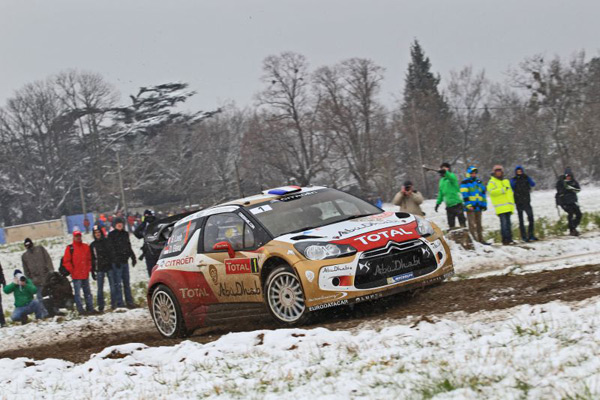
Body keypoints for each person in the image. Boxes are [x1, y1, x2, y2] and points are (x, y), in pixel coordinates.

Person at [63, 230, 96, 315]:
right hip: (76, 275)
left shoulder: (86, 247)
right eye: (76, 236)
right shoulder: (70, 248)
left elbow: (89, 259)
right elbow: (66, 261)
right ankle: (80, 310)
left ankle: (90, 308)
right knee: (77, 294)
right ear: (73, 237)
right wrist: (72, 270)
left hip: (85, 274)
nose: (78, 238)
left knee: (87, 293)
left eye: (79, 236)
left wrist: (88, 268)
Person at [109, 218, 137, 308]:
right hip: (117, 263)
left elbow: (128, 245)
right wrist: (115, 259)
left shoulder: (125, 234)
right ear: (114, 225)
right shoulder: (111, 235)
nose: (119, 225)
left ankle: (129, 301)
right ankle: (120, 303)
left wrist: (133, 257)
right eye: (117, 223)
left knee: (126, 283)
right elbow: (111, 249)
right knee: (118, 284)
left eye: (120, 223)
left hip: (125, 261)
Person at [487, 165, 516, 245]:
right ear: (494, 172)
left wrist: (512, 204)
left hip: (509, 206)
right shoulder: (492, 182)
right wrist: (502, 190)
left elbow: (510, 193)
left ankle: (510, 239)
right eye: (497, 171)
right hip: (500, 207)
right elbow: (492, 192)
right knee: (504, 224)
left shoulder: (506, 181)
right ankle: (505, 240)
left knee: (509, 224)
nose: (498, 173)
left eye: (500, 171)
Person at [90, 225, 116, 312]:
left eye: (98, 232)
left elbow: (112, 253)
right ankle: (101, 306)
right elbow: (93, 259)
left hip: (109, 267)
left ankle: (114, 304)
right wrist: (92, 271)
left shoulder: (107, 241)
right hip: (99, 268)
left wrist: (113, 263)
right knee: (99, 288)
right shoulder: (93, 245)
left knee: (112, 286)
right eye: (95, 233)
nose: (97, 234)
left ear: (101, 233)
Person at [460, 166, 488, 244]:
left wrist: (484, 204)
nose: (474, 174)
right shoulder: (464, 183)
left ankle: (481, 240)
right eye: (472, 173)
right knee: (471, 225)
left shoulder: (479, 182)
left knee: (479, 224)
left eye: (475, 173)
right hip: (470, 207)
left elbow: (483, 194)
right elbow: (465, 195)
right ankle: (474, 242)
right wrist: (468, 205)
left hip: (479, 206)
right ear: (468, 174)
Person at [434, 162, 466, 229]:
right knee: (451, 225)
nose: (442, 169)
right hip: (449, 206)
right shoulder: (441, 181)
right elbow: (441, 193)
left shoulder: (452, 176)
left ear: (448, 169)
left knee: (462, 223)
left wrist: (446, 172)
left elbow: (451, 177)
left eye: (444, 168)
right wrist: (438, 203)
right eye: (441, 168)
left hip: (457, 204)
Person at [510, 166, 538, 242]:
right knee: (521, 220)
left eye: (520, 171)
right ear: (516, 172)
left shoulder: (526, 178)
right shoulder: (514, 179)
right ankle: (523, 236)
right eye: (518, 171)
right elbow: (511, 187)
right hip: (518, 201)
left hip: (526, 201)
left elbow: (533, 184)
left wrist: (528, 178)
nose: (519, 172)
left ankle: (531, 234)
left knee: (531, 217)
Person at [556, 167, 582, 236]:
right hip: (564, 202)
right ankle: (572, 229)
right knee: (570, 213)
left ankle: (573, 227)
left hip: (573, 201)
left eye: (569, 176)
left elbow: (578, 189)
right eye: (567, 176)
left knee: (579, 214)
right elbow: (559, 191)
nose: (568, 177)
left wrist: (571, 188)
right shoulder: (560, 182)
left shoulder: (574, 182)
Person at [134, 209, 160, 276]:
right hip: (148, 250)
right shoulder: (145, 224)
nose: (148, 218)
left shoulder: (157, 223)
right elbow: (136, 233)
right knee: (151, 271)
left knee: (158, 270)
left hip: (158, 250)